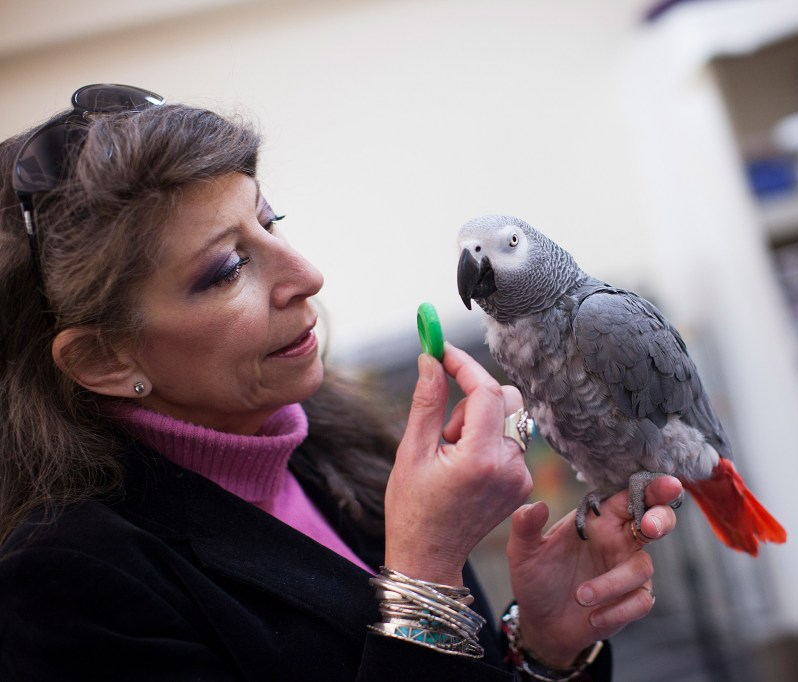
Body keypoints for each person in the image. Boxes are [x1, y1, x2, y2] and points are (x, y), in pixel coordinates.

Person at [0, 84, 683, 680]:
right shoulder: (60, 588)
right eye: (227, 268)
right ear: (103, 361)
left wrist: (543, 648)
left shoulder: (339, 444)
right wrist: (426, 570)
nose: (306, 275)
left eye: (270, 224)